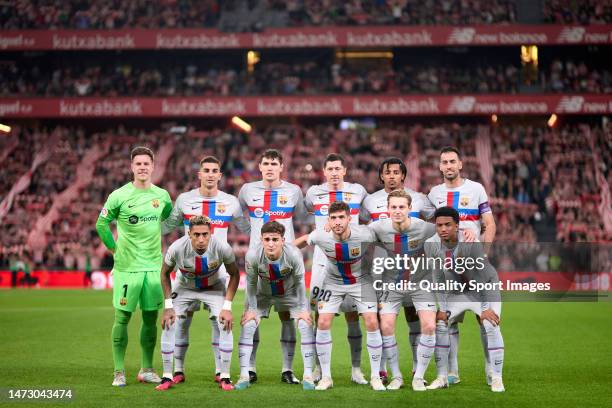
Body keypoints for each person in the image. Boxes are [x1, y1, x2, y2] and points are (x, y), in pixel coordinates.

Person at [162, 155, 250, 384]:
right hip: (187, 273)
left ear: (220, 176)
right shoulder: (183, 199)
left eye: (214, 171)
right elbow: (168, 226)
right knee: (182, 321)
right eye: (206, 170)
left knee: (219, 321)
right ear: (199, 174)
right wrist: (146, 224)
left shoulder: (231, 201)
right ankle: (178, 370)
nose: (210, 174)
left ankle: (221, 372)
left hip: (217, 273)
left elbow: (249, 228)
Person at [96, 146, 173, 387]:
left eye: (146, 164)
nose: (142, 167)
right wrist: (114, 248)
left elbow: (167, 218)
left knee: (151, 319)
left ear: (153, 167)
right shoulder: (119, 195)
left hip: (153, 267)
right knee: (122, 318)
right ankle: (119, 371)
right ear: (132, 167)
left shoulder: (162, 196)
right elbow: (101, 224)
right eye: (138, 164)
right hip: (127, 267)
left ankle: (147, 369)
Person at [423, 146, 496, 385]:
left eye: (452, 161)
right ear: (440, 166)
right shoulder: (434, 193)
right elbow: (429, 225)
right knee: (448, 319)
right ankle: (452, 372)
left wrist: (482, 255)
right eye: (444, 162)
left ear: (460, 164)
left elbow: (489, 223)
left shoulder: (475, 189)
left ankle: (491, 368)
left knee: (484, 319)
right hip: (447, 268)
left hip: (473, 265)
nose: (448, 166)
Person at [294, 201, 385, 391]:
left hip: (361, 281)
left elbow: (387, 235)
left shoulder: (365, 233)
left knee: (371, 321)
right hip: (332, 282)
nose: (337, 222)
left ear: (349, 219)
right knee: (323, 322)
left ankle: (376, 376)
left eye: (341, 217)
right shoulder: (321, 235)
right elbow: (302, 241)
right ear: (328, 220)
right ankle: (326, 377)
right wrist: (282, 252)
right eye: (333, 218)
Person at [238, 149, 306, 384]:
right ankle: (250, 369)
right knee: (252, 315)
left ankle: (287, 370)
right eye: (265, 163)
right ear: (259, 166)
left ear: (281, 167)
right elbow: (240, 219)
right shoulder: (247, 190)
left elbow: (302, 218)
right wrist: (254, 238)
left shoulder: (294, 191)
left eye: (273, 163)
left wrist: (292, 246)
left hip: (285, 263)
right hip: (258, 264)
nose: (269, 167)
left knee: (287, 316)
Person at [361, 157, 430, 381]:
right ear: (381, 176)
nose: (391, 176)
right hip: (382, 266)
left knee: (413, 314)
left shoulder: (419, 199)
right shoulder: (370, 201)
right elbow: (364, 229)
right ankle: (382, 370)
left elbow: (433, 225)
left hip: (412, 265)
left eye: (395, 172)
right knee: (384, 318)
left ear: (403, 175)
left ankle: (416, 367)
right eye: (387, 172)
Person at [304, 153, 369, 384]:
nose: (333, 173)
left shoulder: (358, 191)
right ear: (324, 172)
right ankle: (320, 370)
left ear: (344, 170)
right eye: (329, 169)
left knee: (353, 315)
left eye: (337, 169)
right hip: (323, 264)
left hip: (352, 264)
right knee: (319, 313)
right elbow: (307, 217)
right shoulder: (313, 193)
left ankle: (356, 369)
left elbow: (369, 218)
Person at [424, 206, 504, 392]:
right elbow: (438, 277)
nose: (443, 229)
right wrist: (442, 308)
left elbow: (481, 276)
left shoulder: (470, 241)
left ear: (457, 225)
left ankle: (496, 376)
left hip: (484, 287)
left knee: (491, 324)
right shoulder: (431, 244)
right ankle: (443, 376)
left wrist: (485, 309)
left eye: (448, 225)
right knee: (442, 324)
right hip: (457, 291)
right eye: (439, 225)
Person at [157, 215, 240, 391]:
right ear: (189, 234)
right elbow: (164, 273)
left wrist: (227, 307)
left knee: (224, 322)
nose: (201, 239)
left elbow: (235, 274)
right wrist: (168, 306)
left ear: (211, 233)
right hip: (184, 287)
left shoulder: (222, 247)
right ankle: (169, 374)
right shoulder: (177, 248)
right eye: (196, 235)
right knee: (170, 323)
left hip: (214, 287)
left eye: (204, 234)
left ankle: (224, 375)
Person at [369, 189, 438, 391]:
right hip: (392, 284)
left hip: (420, 284)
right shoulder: (378, 228)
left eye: (401, 207)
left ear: (409, 209)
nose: (397, 211)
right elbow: (355, 233)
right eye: (393, 207)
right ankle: (396, 376)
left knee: (429, 326)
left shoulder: (425, 228)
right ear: (387, 209)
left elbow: (447, 231)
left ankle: (419, 377)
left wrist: (465, 231)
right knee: (387, 326)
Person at [235, 221, 315, 390]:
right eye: (267, 239)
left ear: (283, 240)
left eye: (275, 239)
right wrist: (251, 310)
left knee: (304, 324)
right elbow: (250, 283)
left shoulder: (293, 254)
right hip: (262, 293)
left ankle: (303, 374)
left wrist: (302, 310)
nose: (271, 243)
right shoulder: (252, 255)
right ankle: (246, 373)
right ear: (261, 239)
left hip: (289, 292)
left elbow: (300, 282)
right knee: (249, 324)